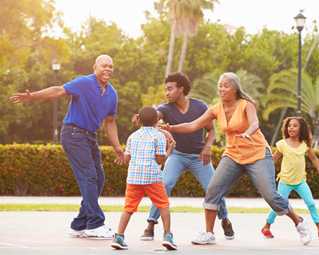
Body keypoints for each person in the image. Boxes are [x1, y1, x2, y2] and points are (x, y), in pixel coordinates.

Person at [162, 72, 312, 245]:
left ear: (235, 89)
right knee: (213, 190)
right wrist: (170, 128)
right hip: (233, 155)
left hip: (257, 155)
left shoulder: (246, 105)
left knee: (270, 195)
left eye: (226, 85)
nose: (221, 88)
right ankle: (209, 233)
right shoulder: (216, 109)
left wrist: (248, 133)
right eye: (220, 85)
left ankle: (299, 222)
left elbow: (255, 123)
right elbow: (193, 125)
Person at [10, 55, 124, 239]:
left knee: (99, 178)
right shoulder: (84, 83)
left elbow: (110, 122)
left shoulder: (112, 94)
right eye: (104, 65)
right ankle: (95, 223)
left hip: (90, 136)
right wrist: (33, 96)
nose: (108, 69)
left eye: (111, 66)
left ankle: (80, 224)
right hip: (73, 134)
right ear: (95, 66)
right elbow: (58, 90)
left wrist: (118, 147)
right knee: (89, 176)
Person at [139, 72, 234, 241]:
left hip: (199, 157)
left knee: (213, 188)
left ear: (181, 89)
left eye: (170, 89)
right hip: (177, 155)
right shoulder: (165, 108)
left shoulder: (200, 106)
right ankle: (151, 224)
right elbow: (155, 115)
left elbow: (211, 130)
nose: (166, 93)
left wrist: (208, 146)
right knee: (164, 184)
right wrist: (145, 116)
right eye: (165, 89)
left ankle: (224, 219)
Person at [111, 106, 176, 250]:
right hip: (152, 177)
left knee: (128, 208)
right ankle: (167, 235)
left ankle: (119, 236)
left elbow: (127, 158)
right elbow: (159, 160)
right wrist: (169, 150)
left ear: (138, 120)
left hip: (134, 178)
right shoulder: (159, 136)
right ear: (157, 121)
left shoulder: (132, 137)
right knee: (163, 205)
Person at [260, 116, 319, 239]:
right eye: (289, 126)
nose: (291, 128)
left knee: (311, 204)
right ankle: (266, 226)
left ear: (301, 129)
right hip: (285, 181)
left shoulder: (305, 145)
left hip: (300, 182)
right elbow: (273, 160)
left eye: (295, 126)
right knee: (278, 205)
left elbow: (314, 159)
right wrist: (262, 170)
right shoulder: (282, 144)